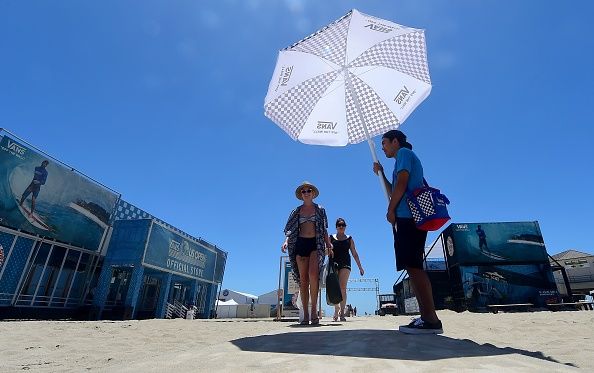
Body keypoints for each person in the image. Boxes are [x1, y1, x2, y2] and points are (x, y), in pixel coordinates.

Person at [373, 130, 443, 334]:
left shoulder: (403, 153)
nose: (383, 147)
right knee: (413, 267)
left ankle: (431, 319)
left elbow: (402, 183)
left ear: (395, 141)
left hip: (408, 217)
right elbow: (394, 188)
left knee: (414, 266)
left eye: (384, 143)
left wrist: (391, 210)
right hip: (408, 217)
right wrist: (381, 174)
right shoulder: (400, 160)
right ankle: (426, 317)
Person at [282, 181, 333, 325]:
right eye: (303, 191)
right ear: (301, 195)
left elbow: (324, 229)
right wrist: (286, 241)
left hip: (315, 244)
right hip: (300, 244)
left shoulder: (320, 209)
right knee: (303, 280)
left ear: (313, 193)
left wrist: (328, 243)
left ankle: (314, 312)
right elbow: (290, 229)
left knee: (313, 275)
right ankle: (305, 314)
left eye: (308, 190)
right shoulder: (296, 211)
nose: (306, 193)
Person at [329, 217, 364, 322]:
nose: (341, 227)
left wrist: (360, 267)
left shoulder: (349, 239)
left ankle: (342, 313)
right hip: (333, 263)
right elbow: (325, 251)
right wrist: (328, 249)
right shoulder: (331, 238)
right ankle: (336, 310)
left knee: (342, 287)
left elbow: (354, 253)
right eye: (339, 225)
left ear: (345, 226)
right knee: (335, 287)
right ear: (336, 227)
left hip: (345, 264)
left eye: (343, 225)